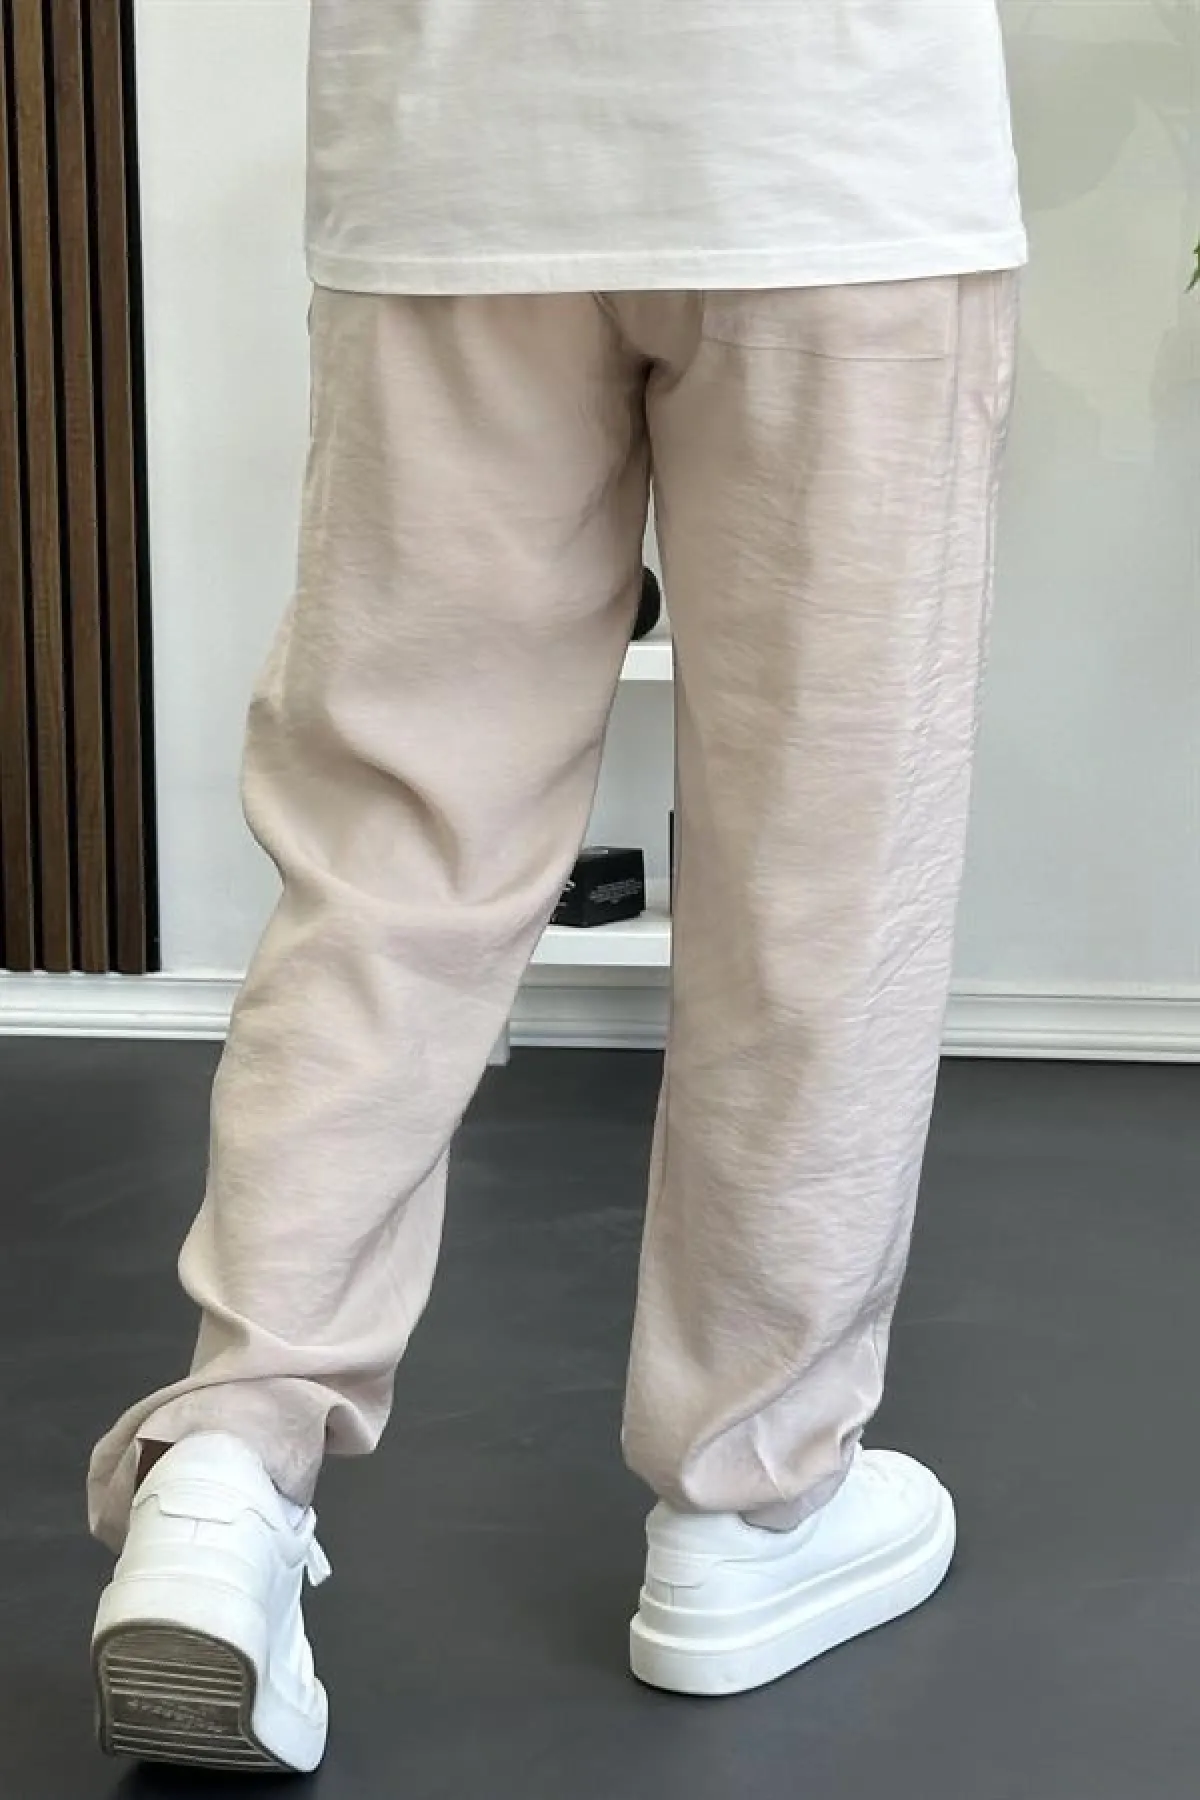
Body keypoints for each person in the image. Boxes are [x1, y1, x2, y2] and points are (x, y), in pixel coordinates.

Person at [87, 0, 1025, 1774]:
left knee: (395, 848)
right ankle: (751, 1505)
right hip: (832, 147)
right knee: (822, 876)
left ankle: (227, 1466)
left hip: (455, 152)